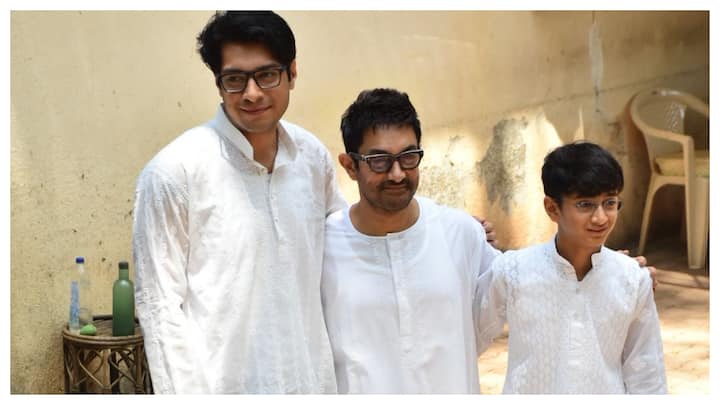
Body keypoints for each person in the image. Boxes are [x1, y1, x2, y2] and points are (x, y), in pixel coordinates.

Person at [131, 11, 346, 393]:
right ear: (218, 84)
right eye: (234, 79)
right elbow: (160, 308)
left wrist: (438, 226)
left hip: (311, 383)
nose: (251, 93)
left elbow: (345, 247)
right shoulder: (175, 172)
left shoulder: (312, 158)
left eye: (266, 75)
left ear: (292, 73)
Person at [321, 88, 502, 393]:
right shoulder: (323, 248)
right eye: (379, 160)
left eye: (408, 157)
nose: (396, 174)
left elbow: (505, 305)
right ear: (350, 166)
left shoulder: (459, 233)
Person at [474, 142, 667, 394]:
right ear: (552, 208)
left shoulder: (632, 279)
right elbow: (467, 340)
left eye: (610, 203)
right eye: (585, 205)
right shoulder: (513, 271)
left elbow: (647, 373)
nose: (600, 218)